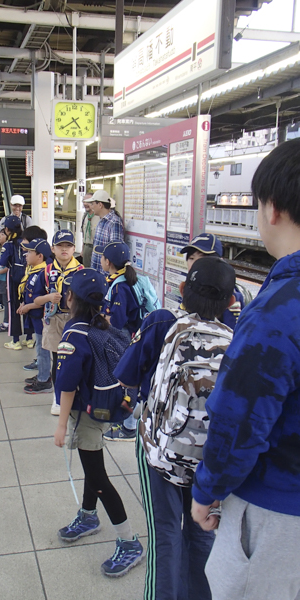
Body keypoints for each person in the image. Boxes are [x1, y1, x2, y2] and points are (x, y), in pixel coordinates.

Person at [191, 139, 300, 600]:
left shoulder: (278, 309)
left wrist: (206, 490)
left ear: (271, 208)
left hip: (278, 509)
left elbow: (238, 421)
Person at [115, 257, 236, 600]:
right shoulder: (237, 339)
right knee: (201, 533)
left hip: (161, 455)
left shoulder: (161, 322)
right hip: (209, 462)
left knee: (165, 533)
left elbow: (125, 375)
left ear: (182, 290)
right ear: (230, 301)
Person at [54, 268, 144, 577]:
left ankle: (129, 542)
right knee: (93, 469)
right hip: (103, 409)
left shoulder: (73, 335)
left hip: (86, 416)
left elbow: (66, 386)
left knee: (99, 477)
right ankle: (88, 515)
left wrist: (61, 425)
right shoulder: (105, 326)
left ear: (70, 299)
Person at [95, 241, 142, 442]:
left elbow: (119, 320)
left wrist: (104, 321)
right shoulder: (118, 279)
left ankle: (129, 427)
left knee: (126, 379)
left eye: (102, 258)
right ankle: (126, 421)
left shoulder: (120, 286)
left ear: (109, 261)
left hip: (124, 337)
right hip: (126, 335)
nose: (100, 261)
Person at [33, 230, 83, 415]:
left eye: (68, 246)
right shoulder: (45, 272)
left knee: (75, 358)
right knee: (57, 360)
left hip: (75, 320)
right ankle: (58, 397)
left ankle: (76, 394)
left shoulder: (81, 271)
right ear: (52, 249)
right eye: (60, 246)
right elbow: (35, 300)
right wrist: (48, 297)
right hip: (53, 319)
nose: (64, 249)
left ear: (74, 249)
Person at [180, 233, 246, 329]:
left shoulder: (227, 293)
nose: (196, 264)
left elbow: (233, 332)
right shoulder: (190, 287)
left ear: (220, 261)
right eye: (191, 258)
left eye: (203, 258)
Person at [18, 238, 53, 394]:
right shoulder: (32, 270)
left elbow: (44, 299)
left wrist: (28, 306)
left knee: (42, 348)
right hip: (33, 316)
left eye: (30, 252)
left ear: (40, 256)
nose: (26, 254)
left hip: (41, 318)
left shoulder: (43, 273)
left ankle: (44, 380)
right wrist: (23, 304)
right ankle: (42, 374)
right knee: (39, 347)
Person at [0, 215, 26, 350]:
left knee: (13, 306)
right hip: (27, 277)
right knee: (27, 306)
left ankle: (16, 340)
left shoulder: (8, 245)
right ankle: (30, 339)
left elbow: (2, 262)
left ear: (7, 230)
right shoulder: (26, 242)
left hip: (13, 277)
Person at [87, 190, 124, 275]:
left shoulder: (114, 222)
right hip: (97, 271)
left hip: (106, 275)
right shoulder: (101, 220)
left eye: (93, 204)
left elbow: (115, 251)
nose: (91, 206)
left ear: (100, 205)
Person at [81, 193, 100, 267]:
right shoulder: (85, 216)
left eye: (88, 201)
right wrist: (83, 250)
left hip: (96, 249)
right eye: (84, 201)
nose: (85, 204)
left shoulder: (99, 217)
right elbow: (84, 235)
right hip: (86, 248)